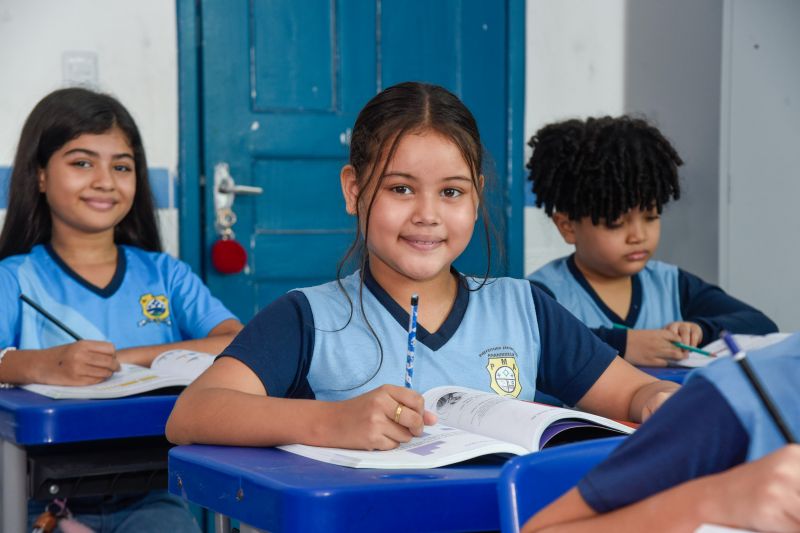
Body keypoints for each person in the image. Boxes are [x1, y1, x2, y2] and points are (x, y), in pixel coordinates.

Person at [166, 82, 677, 452]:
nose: (427, 214)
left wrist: (657, 397)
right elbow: (192, 413)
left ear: (476, 196)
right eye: (400, 188)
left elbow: (632, 392)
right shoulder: (307, 318)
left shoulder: (523, 308)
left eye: (451, 192)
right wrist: (332, 422)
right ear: (353, 190)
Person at [0, 87, 243, 532]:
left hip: (152, 493)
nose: (105, 181)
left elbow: (236, 342)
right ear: (39, 175)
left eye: (122, 166)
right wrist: (44, 365)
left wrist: (124, 360)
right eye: (82, 163)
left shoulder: (165, 274)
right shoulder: (15, 278)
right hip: (38, 501)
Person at [526, 116, 777, 367]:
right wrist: (622, 344)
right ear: (568, 227)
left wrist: (701, 329)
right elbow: (535, 342)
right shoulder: (540, 293)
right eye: (616, 223)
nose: (639, 236)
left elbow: (760, 324)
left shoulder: (671, 284)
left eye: (651, 217)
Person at [522, 333, 800, 533]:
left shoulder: (672, 282)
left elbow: (750, 320)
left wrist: (699, 329)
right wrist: (717, 501)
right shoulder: (734, 399)